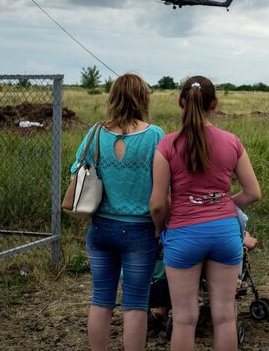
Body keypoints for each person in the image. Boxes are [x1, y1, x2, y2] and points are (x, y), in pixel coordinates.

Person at [149, 76, 261, 351]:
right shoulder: (232, 142)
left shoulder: (167, 145)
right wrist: (221, 201)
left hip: (183, 235)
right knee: (224, 316)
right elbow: (253, 193)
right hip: (224, 233)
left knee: (185, 318)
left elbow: (157, 205)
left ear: (180, 103)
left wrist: (158, 228)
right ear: (215, 104)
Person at [72, 73, 164, 351]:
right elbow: (163, 190)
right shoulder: (154, 135)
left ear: (113, 98)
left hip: (101, 228)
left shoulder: (96, 132)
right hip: (140, 230)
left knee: (101, 298)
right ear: (143, 98)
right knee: (136, 303)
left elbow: (76, 171)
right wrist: (160, 228)